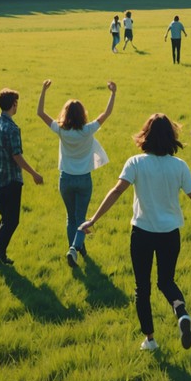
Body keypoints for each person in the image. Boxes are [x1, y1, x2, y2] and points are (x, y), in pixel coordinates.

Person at [80, 114, 191, 352]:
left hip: (142, 233)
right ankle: (181, 313)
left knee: (142, 288)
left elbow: (116, 192)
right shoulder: (179, 166)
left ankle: (150, 340)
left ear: (145, 135)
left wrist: (93, 219)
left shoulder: (136, 163)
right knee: (166, 281)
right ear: (172, 136)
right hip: (170, 234)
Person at [37, 79, 116, 268]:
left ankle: (75, 248)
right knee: (81, 219)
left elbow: (40, 113)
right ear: (82, 114)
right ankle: (74, 248)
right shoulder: (88, 130)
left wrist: (43, 90)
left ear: (65, 114)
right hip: (84, 180)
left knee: (70, 218)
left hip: (65, 179)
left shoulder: (61, 130)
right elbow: (107, 113)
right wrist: (113, 93)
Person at [0, 88, 43, 265]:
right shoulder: (12, 128)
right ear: (13, 105)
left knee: (5, 217)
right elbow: (17, 156)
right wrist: (34, 174)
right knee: (12, 220)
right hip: (11, 181)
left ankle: (0, 254)